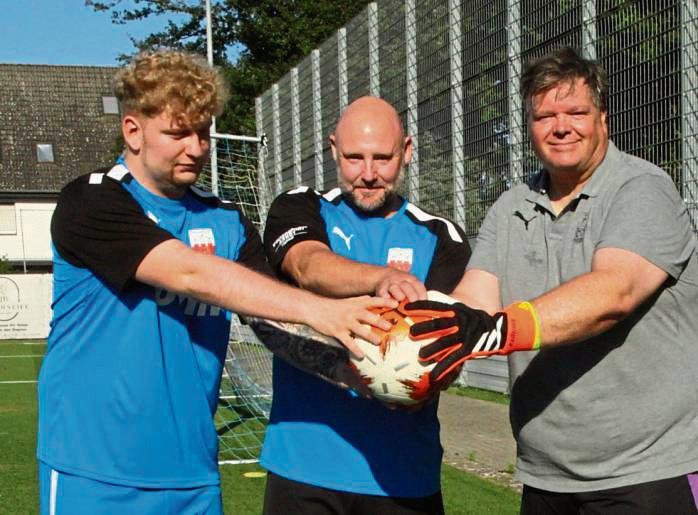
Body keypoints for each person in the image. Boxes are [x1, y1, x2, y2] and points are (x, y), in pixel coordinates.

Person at [36, 50, 395, 515]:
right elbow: (189, 272)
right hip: (95, 473)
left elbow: (271, 318)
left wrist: (347, 369)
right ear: (133, 131)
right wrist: (322, 308)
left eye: (203, 132)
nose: (196, 147)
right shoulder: (91, 201)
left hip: (194, 478)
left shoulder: (225, 221)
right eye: (177, 133)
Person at [405, 47, 698, 514]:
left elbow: (613, 292)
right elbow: (475, 298)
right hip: (547, 474)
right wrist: (421, 343)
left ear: (603, 117)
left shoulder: (641, 189)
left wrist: (494, 330)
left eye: (576, 112)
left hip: (647, 471)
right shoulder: (511, 206)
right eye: (545, 116)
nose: (561, 126)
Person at [260, 96, 470, 515]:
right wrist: (380, 280)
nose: (369, 174)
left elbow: (447, 344)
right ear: (333, 149)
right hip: (302, 466)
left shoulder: (442, 238)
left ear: (407, 152)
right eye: (354, 158)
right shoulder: (299, 206)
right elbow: (306, 265)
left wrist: (432, 373)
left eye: (383, 158)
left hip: (403, 475)